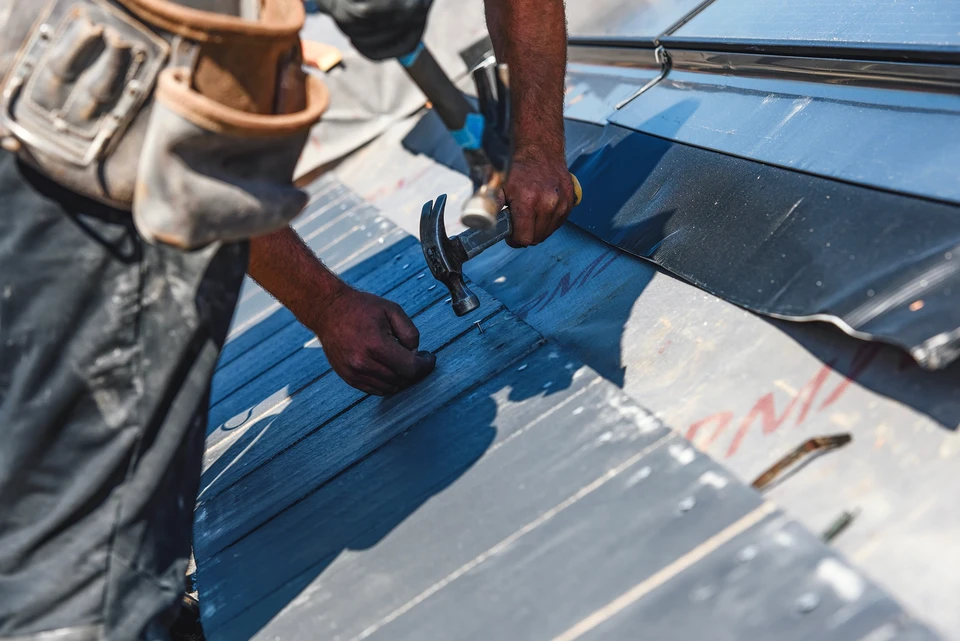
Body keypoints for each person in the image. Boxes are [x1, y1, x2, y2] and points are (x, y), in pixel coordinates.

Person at [0, 0, 574, 640]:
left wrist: (539, 143)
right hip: (71, 140)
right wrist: (324, 303)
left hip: (96, 114)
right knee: (83, 563)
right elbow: (201, 148)